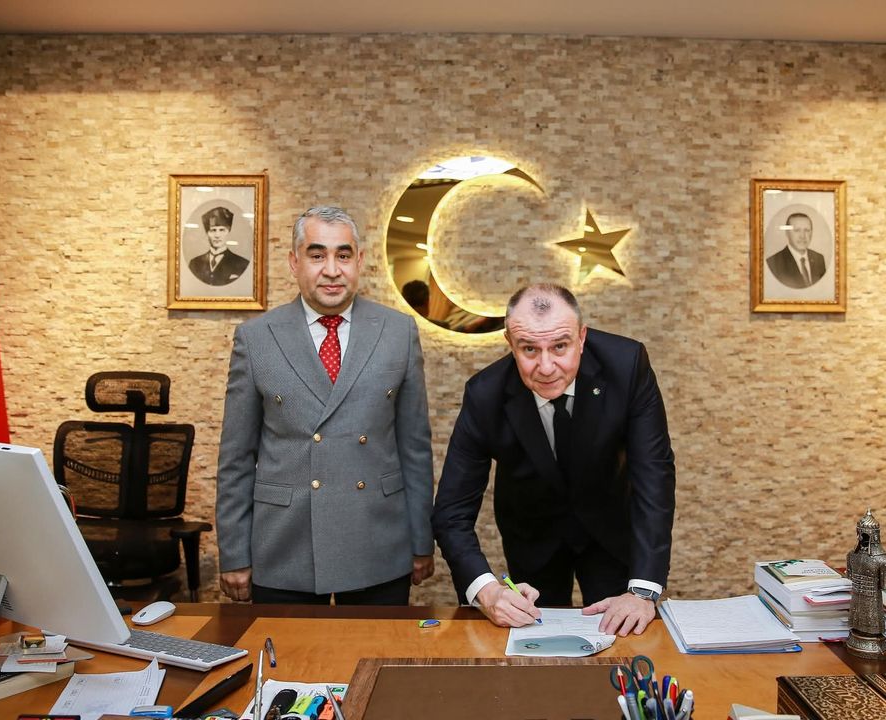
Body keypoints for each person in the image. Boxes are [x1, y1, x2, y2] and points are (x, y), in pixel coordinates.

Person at [215, 205, 435, 605]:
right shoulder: (256, 337)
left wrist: (422, 540)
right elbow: (236, 458)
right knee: (287, 648)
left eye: (343, 255)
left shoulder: (398, 332)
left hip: (377, 541)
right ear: (294, 262)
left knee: (376, 646)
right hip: (285, 545)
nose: (332, 270)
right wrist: (234, 552)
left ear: (360, 261)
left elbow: (415, 448)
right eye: (317, 255)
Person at [432, 283, 676, 636]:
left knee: (621, 634)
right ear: (510, 343)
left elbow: (654, 475)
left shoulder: (627, 365)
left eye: (560, 346)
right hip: (532, 532)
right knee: (534, 644)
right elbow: (451, 511)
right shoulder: (485, 394)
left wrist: (643, 591)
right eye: (529, 349)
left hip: (610, 527)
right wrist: (486, 590)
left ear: (582, 337)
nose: (546, 367)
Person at [189, 206, 250, 286]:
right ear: (207, 233)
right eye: (213, 230)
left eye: (222, 230)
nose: (217, 235)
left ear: (228, 232)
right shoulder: (195, 263)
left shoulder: (242, 264)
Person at [765, 212, 826, 289]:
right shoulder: (773, 263)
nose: (802, 236)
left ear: (812, 232)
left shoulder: (819, 259)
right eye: (797, 230)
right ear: (787, 233)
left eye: (807, 230)